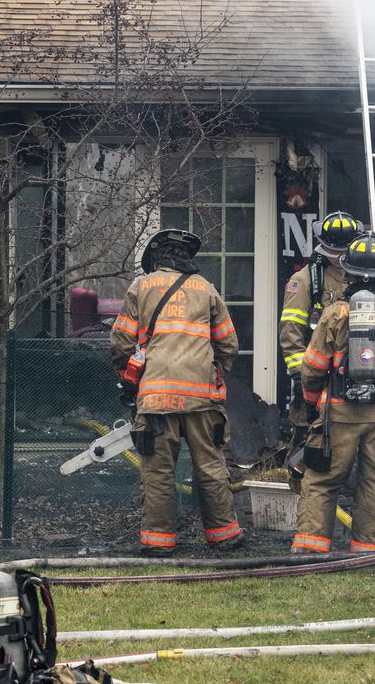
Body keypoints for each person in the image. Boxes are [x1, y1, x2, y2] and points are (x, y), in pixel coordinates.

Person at [292, 233, 375, 553]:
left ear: (348, 271)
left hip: (338, 414)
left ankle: (311, 548)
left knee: (323, 480)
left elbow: (312, 369)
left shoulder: (335, 312)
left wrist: (311, 408)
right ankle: (368, 549)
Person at [112, 228, 243, 555]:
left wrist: (130, 379)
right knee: (211, 467)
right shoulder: (207, 289)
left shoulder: (140, 287)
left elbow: (120, 342)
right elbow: (229, 343)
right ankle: (225, 537)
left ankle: (158, 544)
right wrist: (214, 373)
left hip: (156, 399)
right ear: (188, 258)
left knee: (158, 473)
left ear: (155, 258)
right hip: (202, 399)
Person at [279, 211, 361, 487]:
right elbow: (290, 332)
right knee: (308, 447)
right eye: (333, 251)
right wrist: (300, 378)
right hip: (315, 379)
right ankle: (302, 508)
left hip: (355, 379)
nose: (338, 257)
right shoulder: (305, 281)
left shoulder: (363, 275)